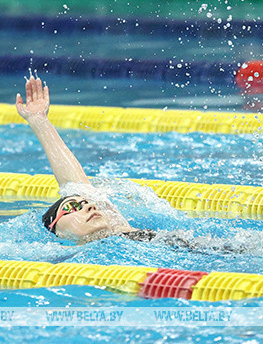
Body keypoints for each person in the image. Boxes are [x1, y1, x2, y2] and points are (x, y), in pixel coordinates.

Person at [16, 75, 157, 244]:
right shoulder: (62, 260)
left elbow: (76, 184)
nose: (90, 206)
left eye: (88, 202)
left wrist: (39, 120)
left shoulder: (127, 233)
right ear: (58, 231)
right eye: (73, 208)